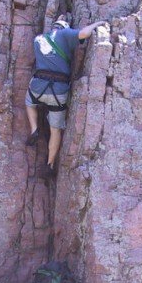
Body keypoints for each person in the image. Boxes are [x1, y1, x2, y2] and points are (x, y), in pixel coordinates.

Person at [25, 16, 106, 178]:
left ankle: (34, 128)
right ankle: (50, 164)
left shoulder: (38, 39)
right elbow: (83, 34)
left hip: (38, 87)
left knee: (29, 103)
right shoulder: (64, 34)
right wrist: (98, 23)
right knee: (55, 130)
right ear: (64, 28)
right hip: (58, 92)